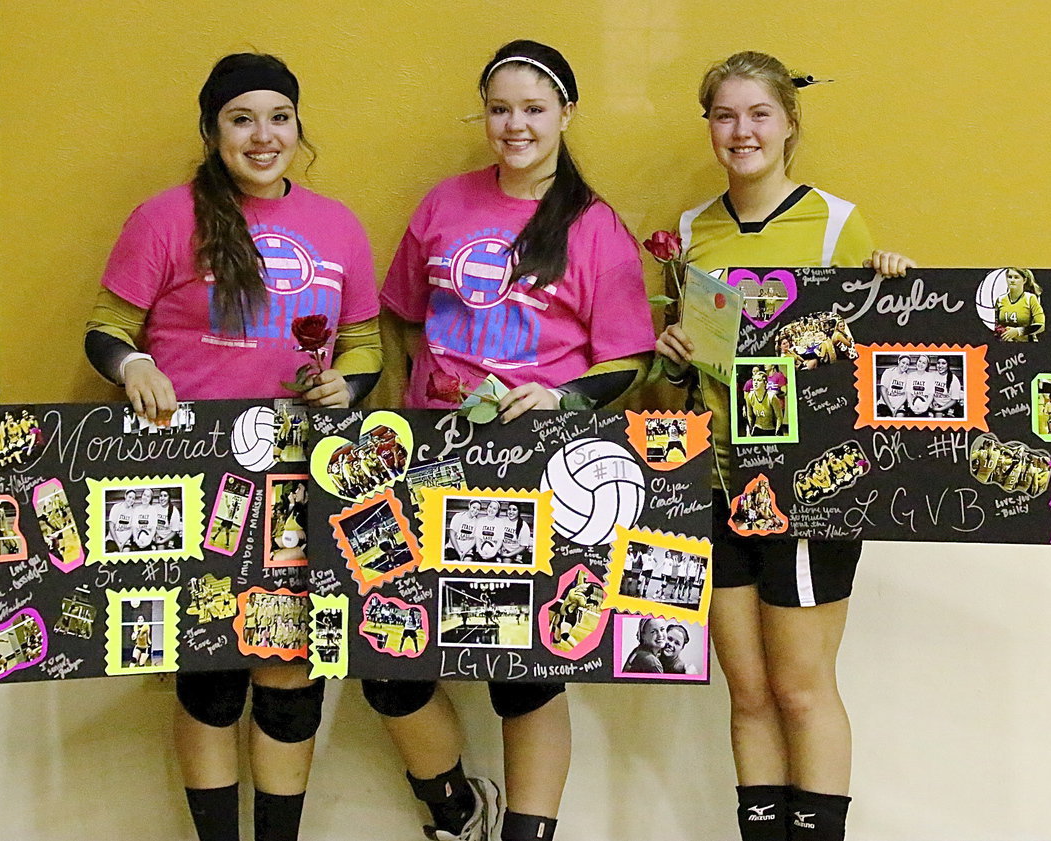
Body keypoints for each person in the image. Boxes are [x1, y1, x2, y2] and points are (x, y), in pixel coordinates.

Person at [82, 53, 381, 841]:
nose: (262, 135)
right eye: (241, 119)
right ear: (212, 131)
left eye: (279, 117)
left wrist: (348, 384)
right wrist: (133, 364)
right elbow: (107, 327)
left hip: (299, 478)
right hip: (190, 474)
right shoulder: (164, 217)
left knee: (289, 674)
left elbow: (364, 342)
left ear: (298, 126)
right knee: (210, 671)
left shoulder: (338, 225)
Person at [372, 39, 655, 841]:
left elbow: (628, 359)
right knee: (389, 661)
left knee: (523, 672)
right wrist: (408, 403)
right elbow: (400, 316)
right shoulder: (442, 204)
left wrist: (561, 396)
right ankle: (457, 808)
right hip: (432, 460)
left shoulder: (594, 225)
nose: (516, 125)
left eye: (534, 108)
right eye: (500, 109)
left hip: (537, 468)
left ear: (567, 114)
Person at [654, 51, 915, 841]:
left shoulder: (836, 222)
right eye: (725, 115)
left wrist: (893, 278)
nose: (742, 132)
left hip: (810, 488)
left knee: (802, 688)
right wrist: (673, 358)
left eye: (759, 114)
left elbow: (877, 350)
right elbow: (682, 377)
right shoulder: (692, 233)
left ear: (789, 124)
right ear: (709, 126)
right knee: (750, 694)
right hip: (718, 483)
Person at [994, 267, 1044, 342]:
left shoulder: (1030, 298)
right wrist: (1002, 332)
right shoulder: (1000, 300)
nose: (1012, 280)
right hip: (1005, 345)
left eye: (1016, 277)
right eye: (1010, 277)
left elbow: (1041, 326)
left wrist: (1018, 331)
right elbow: (996, 326)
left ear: (1024, 280)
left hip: (1027, 344)